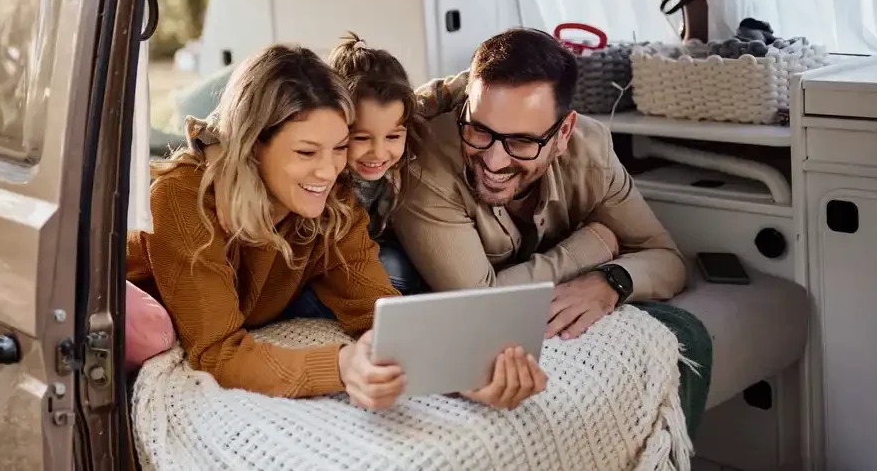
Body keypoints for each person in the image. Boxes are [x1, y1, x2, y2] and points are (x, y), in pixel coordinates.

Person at [126, 43, 545, 410]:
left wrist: (466, 374)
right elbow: (218, 351)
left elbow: (378, 311)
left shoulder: (334, 202)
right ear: (252, 146)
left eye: (340, 147)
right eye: (307, 152)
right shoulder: (182, 198)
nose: (328, 171)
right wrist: (341, 365)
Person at [394, 27, 711, 432]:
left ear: (563, 133)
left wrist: (611, 281)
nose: (493, 161)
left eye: (522, 142)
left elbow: (667, 259)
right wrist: (592, 247)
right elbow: (479, 305)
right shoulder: (426, 164)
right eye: (479, 130)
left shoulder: (591, 150)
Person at [280, 33, 428, 320]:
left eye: (393, 137)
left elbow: (439, 96)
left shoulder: (400, 157)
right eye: (361, 137)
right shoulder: (322, 175)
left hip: (364, 252)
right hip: (312, 274)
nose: (379, 152)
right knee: (394, 269)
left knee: (407, 261)